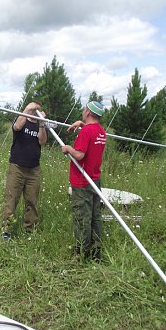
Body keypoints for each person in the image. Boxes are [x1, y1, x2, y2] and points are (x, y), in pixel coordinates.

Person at [61, 101, 106, 260]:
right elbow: (91, 139)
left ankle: (81, 253)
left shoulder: (86, 132)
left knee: (82, 218)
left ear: (87, 112)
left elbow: (79, 155)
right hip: (95, 179)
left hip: (82, 181)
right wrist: (82, 125)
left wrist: (68, 148)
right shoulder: (101, 131)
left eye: (83, 109)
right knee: (95, 216)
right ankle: (96, 251)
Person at [1, 101, 47, 240]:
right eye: (33, 109)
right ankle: (6, 231)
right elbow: (17, 127)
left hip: (34, 169)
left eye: (37, 109)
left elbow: (42, 141)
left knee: (32, 200)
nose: (35, 112)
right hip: (17, 167)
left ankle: (30, 230)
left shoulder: (39, 124)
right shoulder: (21, 118)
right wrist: (27, 109)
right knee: (11, 199)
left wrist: (42, 123)